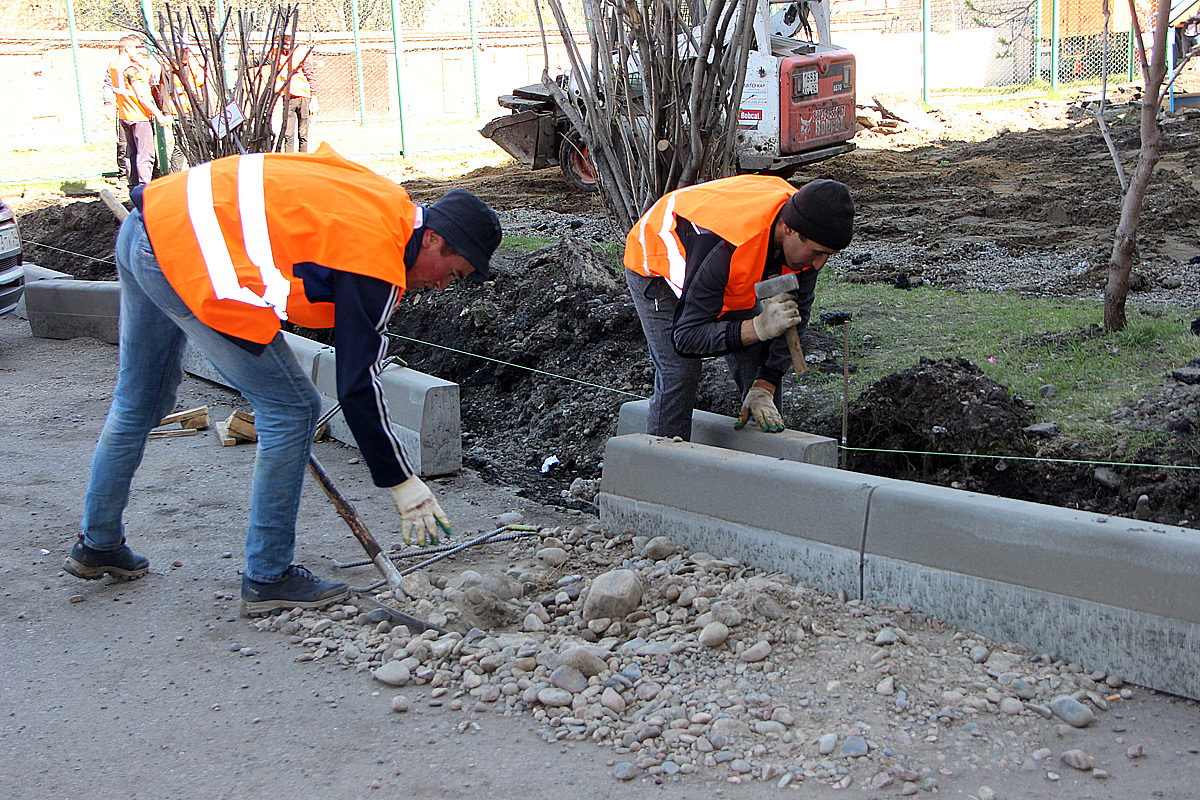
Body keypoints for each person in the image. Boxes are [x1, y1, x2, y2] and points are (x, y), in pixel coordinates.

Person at [63, 144, 503, 617]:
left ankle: (99, 542)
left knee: (140, 400)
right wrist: (402, 482)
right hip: (192, 255)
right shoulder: (377, 253)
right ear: (435, 240)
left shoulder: (385, 205)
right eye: (451, 274)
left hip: (151, 224)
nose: (441, 287)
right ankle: (269, 575)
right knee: (292, 408)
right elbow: (357, 383)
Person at [623, 174, 854, 440]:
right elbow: (686, 338)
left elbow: (795, 318)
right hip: (657, 263)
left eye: (828, 255)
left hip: (727, 271)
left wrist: (765, 384)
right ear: (789, 229)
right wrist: (756, 327)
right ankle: (661, 467)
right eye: (817, 253)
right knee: (680, 372)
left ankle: (767, 468)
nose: (819, 265)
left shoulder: (809, 225)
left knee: (758, 361)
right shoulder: (724, 245)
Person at [110, 36, 170, 188]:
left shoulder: (114, 65)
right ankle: (145, 189)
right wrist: (159, 115)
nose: (137, 51)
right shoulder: (130, 70)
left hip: (124, 115)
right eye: (135, 48)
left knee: (130, 154)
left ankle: (134, 188)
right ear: (127, 49)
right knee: (145, 155)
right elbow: (141, 96)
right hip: (140, 116)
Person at [276, 35, 316, 153]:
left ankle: (303, 158)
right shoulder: (276, 55)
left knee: (303, 133)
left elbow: (310, 75)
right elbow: (259, 60)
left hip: (303, 96)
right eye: (284, 39)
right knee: (288, 134)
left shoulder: (300, 53)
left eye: (289, 39)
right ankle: (290, 159)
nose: (287, 42)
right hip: (287, 97)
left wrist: (314, 97)